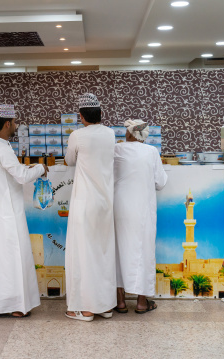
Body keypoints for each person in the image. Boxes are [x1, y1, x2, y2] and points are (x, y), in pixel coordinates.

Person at [0, 104, 48, 318]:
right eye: (15, 122)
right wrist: (40, 168)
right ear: (7, 124)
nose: (17, 126)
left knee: (3, 259)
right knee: (14, 258)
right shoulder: (2, 148)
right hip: (8, 214)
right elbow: (21, 176)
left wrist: (27, 169)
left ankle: (2, 304)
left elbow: (13, 173)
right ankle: (17, 306)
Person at [64, 93, 117, 322]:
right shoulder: (110, 133)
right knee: (102, 253)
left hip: (85, 202)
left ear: (81, 116)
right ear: (100, 114)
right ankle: (104, 306)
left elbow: (68, 160)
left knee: (82, 254)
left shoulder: (77, 135)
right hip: (105, 203)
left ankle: (85, 308)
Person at [114, 119, 167, 314]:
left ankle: (120, 302)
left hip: (118, 208)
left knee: (117, 250)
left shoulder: (115, 150)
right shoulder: (151, 152)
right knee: (143, 251)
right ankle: (141, 302)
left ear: (128, 134)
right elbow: (161, 182)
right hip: (143, 210)